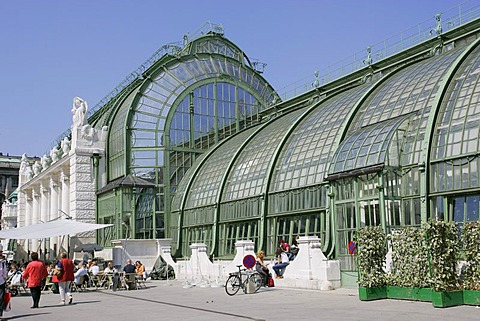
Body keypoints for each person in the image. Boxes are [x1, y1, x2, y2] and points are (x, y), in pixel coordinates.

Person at [0, 245, 8, 319]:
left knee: (1, 298)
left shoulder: (3, 263)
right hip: (1, 281)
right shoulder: (2, 262)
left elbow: (5, 273)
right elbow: (5, 274)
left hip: (1, 282)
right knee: (0, 298)